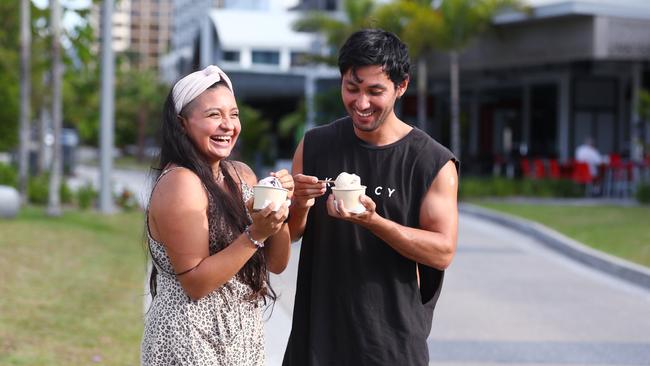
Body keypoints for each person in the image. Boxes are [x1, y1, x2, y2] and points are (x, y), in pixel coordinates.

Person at [283, 29, 459, 365]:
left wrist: (373, 222)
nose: (361, 103)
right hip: (316, 340)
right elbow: (287, 236)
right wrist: (300, 205)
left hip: (391, 346)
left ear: (401, 86)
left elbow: (442, 252)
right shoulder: (315, 145)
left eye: (375, 91)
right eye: (352, 88)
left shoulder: (431, 161)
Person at [141, 65, 293, 365]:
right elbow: (196, 283)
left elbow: (277, 263)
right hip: (189, 339)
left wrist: (278, 210)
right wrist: (256, 234)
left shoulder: (242, 175)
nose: (228, 125)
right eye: (214, 115)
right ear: (182, 124)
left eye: (233, 115)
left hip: (241, 337)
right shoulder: (180, 183)